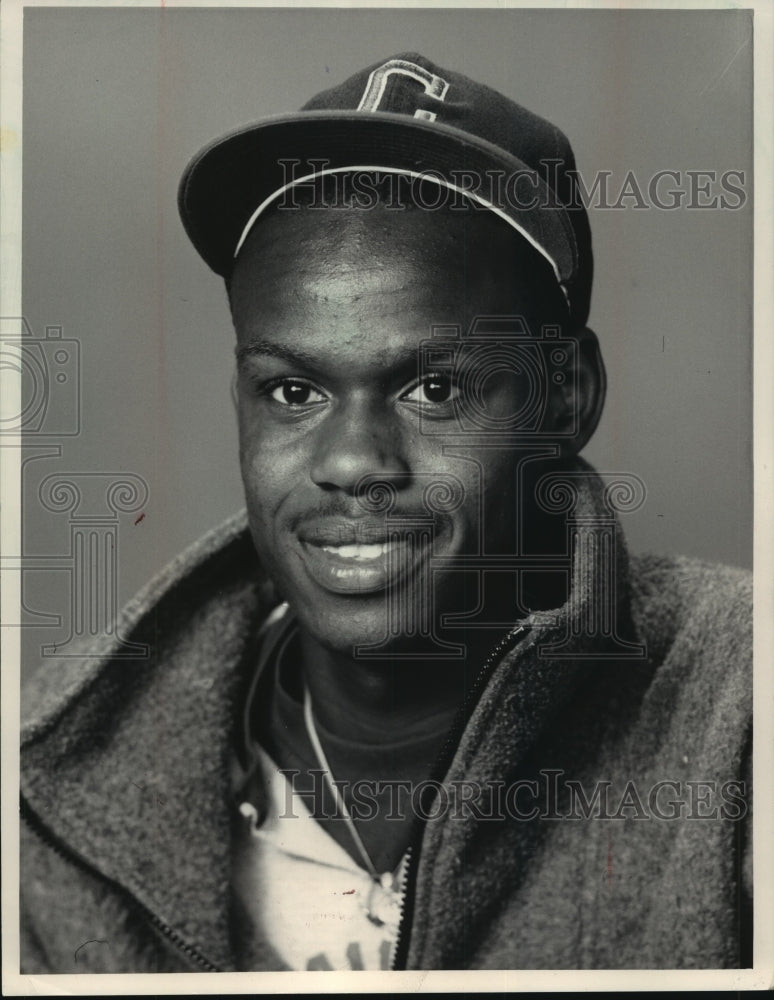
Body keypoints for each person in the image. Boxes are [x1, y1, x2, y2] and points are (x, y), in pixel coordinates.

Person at [20, 53, 752, 973]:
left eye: (434, 387)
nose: (351, 462)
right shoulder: (55, 774)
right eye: (292, 390)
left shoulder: (739, 718)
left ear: (566, 396)